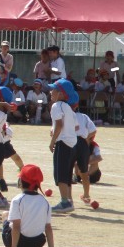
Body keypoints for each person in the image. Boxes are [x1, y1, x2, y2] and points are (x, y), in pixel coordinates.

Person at [1, 165, 57, 247]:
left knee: (5, 214)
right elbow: (48, 227)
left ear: (20, 182)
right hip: (37, 244)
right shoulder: (45, 201)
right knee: (41, 233)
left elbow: (16, 226)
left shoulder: (17, 200)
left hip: (16, 243)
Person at [47, 79, 77, 213]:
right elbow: (73, 126)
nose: (51, 92)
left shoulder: (56, 106)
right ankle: (68, 200)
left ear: (61, 93)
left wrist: (52, 141)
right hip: (72, 143)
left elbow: (59, 125)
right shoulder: (68, 108)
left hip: (63, 143)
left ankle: (65, 202)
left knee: (60, 174)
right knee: (67, 172)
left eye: (53, 90)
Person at [70, 92, 96, 206]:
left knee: (67, 172)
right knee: (84, 172)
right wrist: (86, 139)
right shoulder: (84, 116)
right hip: (82, 144)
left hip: (70, 143)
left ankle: (68, 199)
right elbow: (93, 130)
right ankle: (86, 195)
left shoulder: (65, 116)